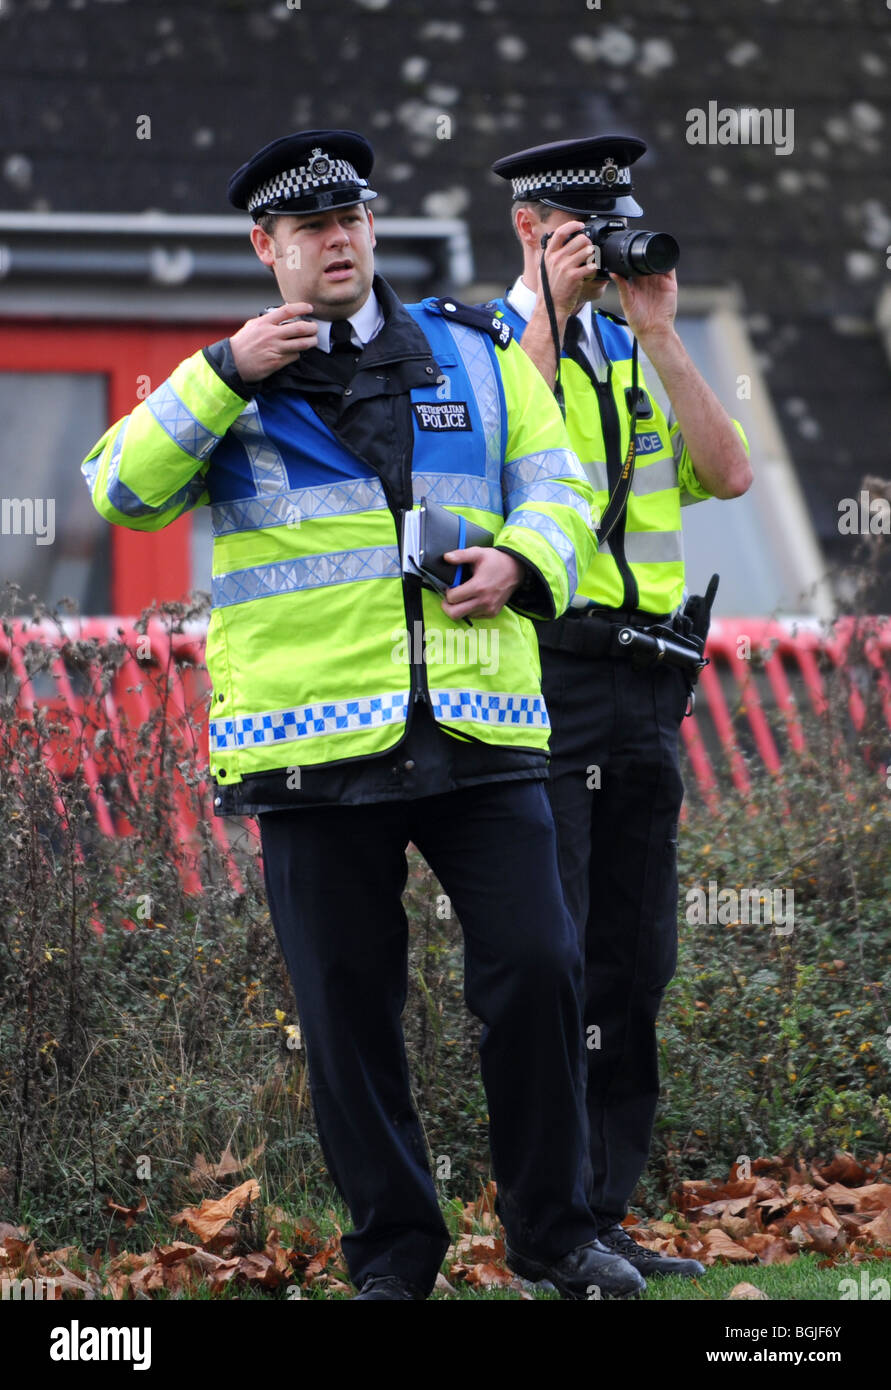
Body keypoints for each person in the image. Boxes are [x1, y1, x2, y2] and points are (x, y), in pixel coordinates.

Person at [81, 129, 647, 1301]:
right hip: (310, 746)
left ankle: (555, 1236)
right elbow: (120, 490)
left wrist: (523, 563)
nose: (335, 243)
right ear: (266, 247)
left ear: (373, 231)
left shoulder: (475, 350)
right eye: (306, 230)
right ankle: (394, 1254)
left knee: (540, 966)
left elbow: (563, 482)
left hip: (478, 724)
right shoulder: (226, 379)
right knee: (346, 1007)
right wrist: (222, 372)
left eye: (350, 222)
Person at [488, 135, 753, 1279]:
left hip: (653, 686)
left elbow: (729, 470)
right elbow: (504, 439)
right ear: (530, 229)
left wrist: (656, 328)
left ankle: (602, 1215)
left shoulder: (636, 351)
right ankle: (549, 1223)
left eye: (614, 223)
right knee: (550, 957)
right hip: (553, 677)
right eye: (579, 227)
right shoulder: (486, 344)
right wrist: (552, 301)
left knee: (633, 963)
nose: (603, 248)